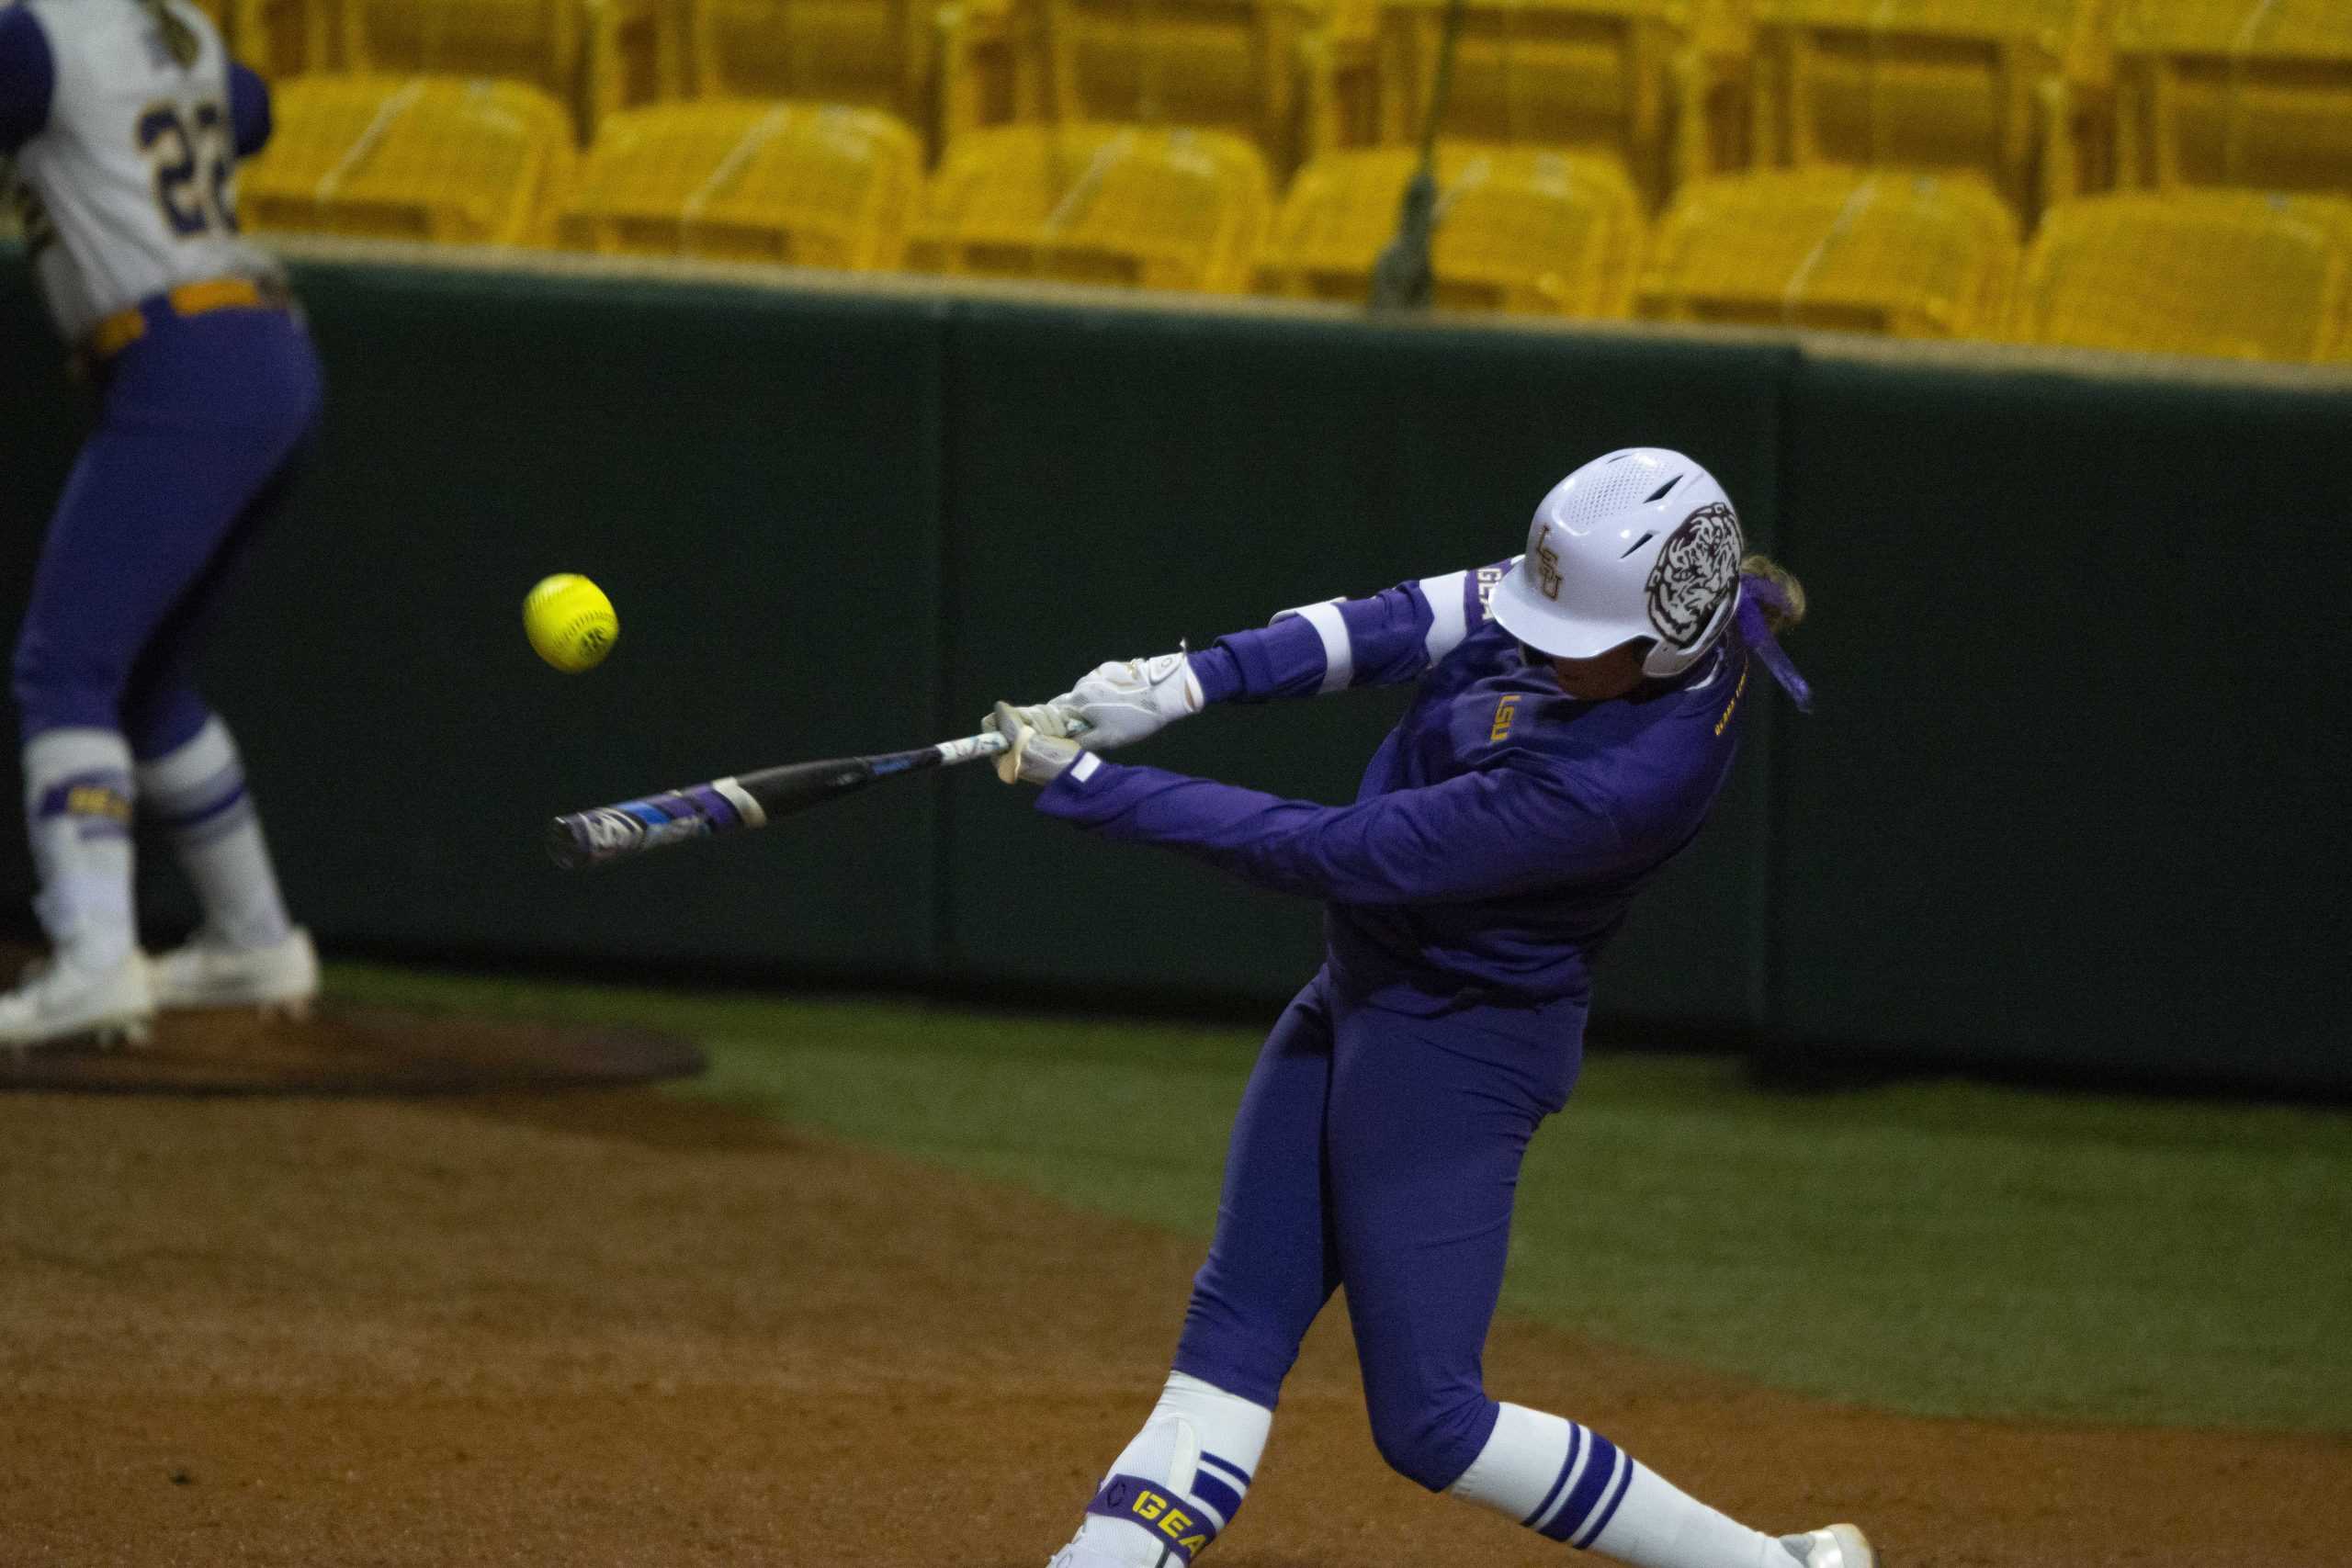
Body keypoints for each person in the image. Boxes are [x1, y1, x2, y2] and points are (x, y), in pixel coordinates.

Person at [986, 448, 1871, 1568]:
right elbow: (1404, 621)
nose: (1538, 648)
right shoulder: (1616, 593)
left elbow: (1330, 851)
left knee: (1431, 1424)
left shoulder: (1616, 785)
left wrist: (1093, 790)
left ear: (1665, 643)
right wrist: (1189, 681)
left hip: (1455, 1046)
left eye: (1569, 641)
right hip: (1363, 989)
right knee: (1230, 1339)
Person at [0, 0, 321, 1047]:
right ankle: (253, 938)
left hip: (183, 363)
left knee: (64, 669)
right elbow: (255, 110)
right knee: (147, 681)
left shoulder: (36, 32)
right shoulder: (171, 19)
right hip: (263, 353)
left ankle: (96, 956)